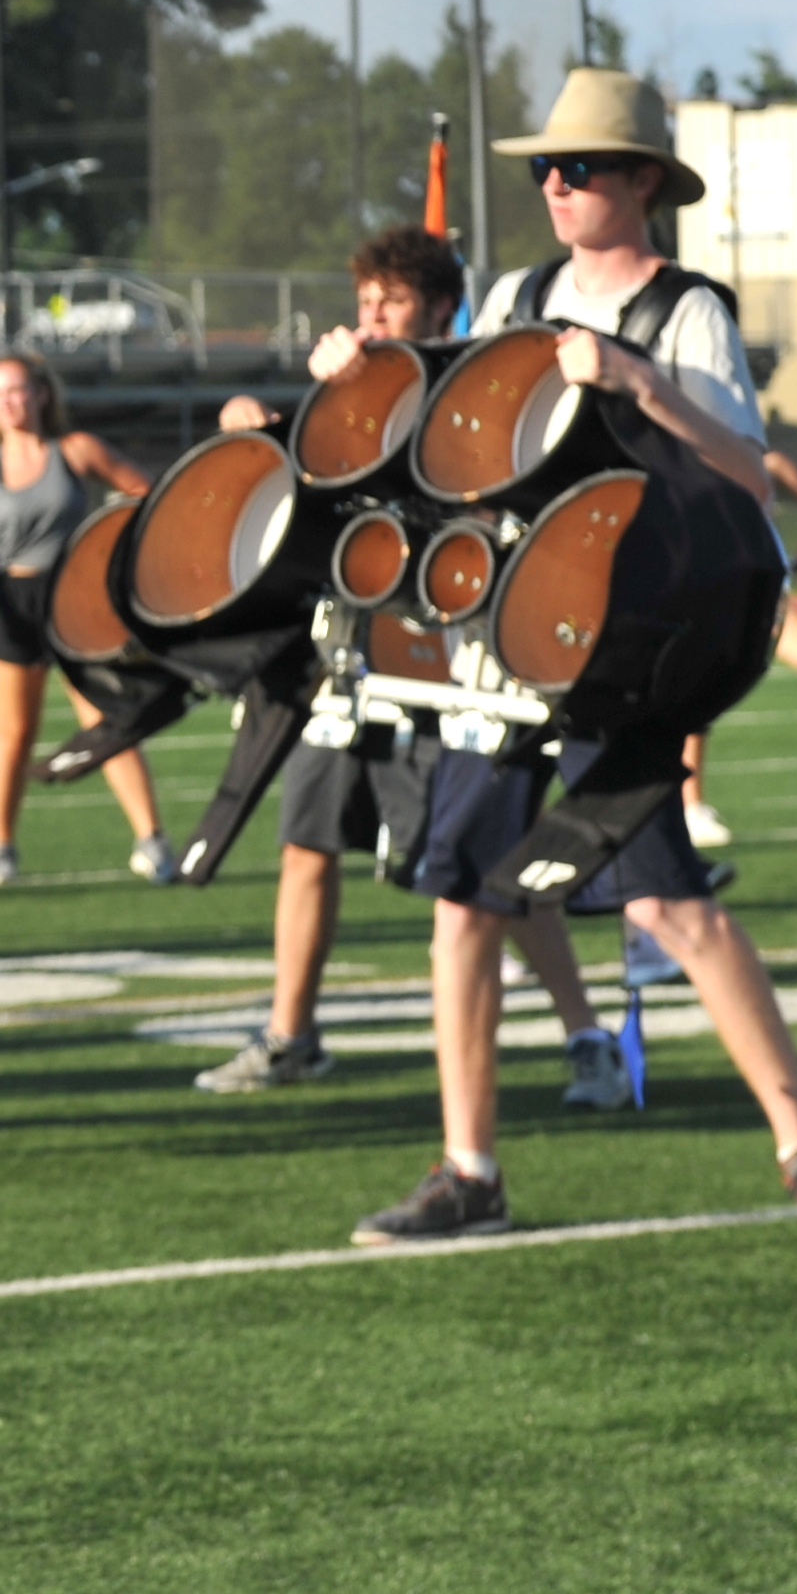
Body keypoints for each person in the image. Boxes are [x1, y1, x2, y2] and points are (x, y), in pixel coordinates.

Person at [347, 68, 797, 1266]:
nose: (554, 182)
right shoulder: (512, 293)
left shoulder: (686, 309)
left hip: (626, 644)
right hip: (504, 639)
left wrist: (639, 383)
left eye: (578, 166)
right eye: (546, 166)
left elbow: (747, 474)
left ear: (641, 182)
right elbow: (459, 442)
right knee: (462, 900)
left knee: (665, 905)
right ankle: (467, 1167)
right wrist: (368, 380)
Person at [193, 226, 625, 1108]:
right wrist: (265, 418)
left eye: (391, 303)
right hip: (357, 659)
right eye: (364, 304)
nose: (372, 320)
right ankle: (292, 1034)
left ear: (437, 308)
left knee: (486, 872)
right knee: (306, 844)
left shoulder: (470, 389)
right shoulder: (351, 387)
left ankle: (587, 1036)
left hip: (456, 668)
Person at [0, 350, 175, 892]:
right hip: (10, 604)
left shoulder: (75, 450)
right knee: (13, 733)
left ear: (42, 394)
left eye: (18, 390)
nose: (8, 402)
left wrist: (110, 553)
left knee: (107, 722)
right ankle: (0, 847)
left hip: (76, 600)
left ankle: (152, 840)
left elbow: (146, 494)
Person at [671, 448, 797, 850]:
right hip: (711, 587)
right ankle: (690, 806)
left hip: (760, 592)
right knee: (697, 689)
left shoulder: (770, 461)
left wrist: (794, 563)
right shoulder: (692, 451)